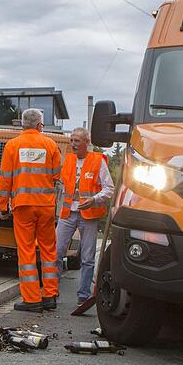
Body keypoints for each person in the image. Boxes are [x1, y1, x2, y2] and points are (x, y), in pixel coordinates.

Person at [0, 108, 62, 311]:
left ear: (22, 124)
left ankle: (32, 299)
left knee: (26, 252)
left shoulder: (12, 146)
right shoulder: (50, 144)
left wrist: (2, 205)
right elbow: (57, 176)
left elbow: (5, 179)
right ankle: (50, 295)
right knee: (48, 250)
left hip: (23, 206)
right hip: (45, 206)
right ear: (39, 125)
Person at [55, 127, 114, 304]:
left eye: (77, 141)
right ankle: (51, 291)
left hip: (88, 215)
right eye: (71, 140)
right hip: (67, 213)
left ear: (86, 143)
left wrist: (94, 200)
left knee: (88, 258)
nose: (73, 144)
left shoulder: (97, 161)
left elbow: (109, 188)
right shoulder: (69, 160)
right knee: (56, 252)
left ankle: (83, 295)